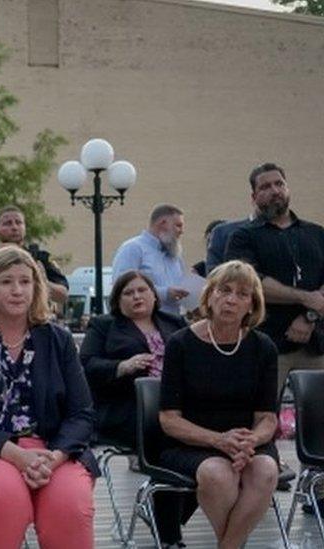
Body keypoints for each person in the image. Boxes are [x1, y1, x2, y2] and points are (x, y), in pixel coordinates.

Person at [0, 246, 97, 549]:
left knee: (69, 506)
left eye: (25, 281)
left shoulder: (58, 340)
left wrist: (55, 457)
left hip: (54, 450)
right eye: (6, 281)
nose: (17, 290)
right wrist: (16, 455)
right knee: (4, 502)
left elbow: (82, 414)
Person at [159, 260, 279, 549]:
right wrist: (218, 440)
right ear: (209, 296)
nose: (231, 300)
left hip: (246, 442)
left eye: (242, 294)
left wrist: (251, 440)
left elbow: (268, 417)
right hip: (192, 442)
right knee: (218, 475)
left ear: (252, 305)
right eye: (224, 290)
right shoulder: (180, 343)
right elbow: (169, 418)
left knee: (265, 470)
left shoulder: (263, 347)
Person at [79, 270, 192, 546]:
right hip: (125, 410)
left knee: (208, 440)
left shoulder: (175, 323)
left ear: (154, 295)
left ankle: (163, 513)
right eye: (128, 293)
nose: (137, 296)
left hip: (178, 409)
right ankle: (169, 536)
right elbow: (86, 366)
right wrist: (121, 366)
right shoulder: (104, 326)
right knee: (169, 439)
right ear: (118, 301)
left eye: (142, 290)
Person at [225, 162, 324, 394]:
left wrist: (309, 316)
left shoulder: (317, 234)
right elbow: (250, 283)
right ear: (254, 196)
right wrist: (308, 298)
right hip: (268, 346)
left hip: (317, 346)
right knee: (264, 417)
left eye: (279, 184)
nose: (275, 190)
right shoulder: (243, 237)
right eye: (266, 187)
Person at [112, 204, 189, 315]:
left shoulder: (175, 254)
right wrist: (165, 293)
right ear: (162, 223)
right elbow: (121, 286)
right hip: (144, 321)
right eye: (178, 226)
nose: (181, 231)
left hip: (174, 322)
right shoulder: (133, 248)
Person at [0, 205, 69, 306]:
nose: (14, 227)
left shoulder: (40, 258)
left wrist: (41, 282)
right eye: (8, 224)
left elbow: (63, 295)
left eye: (19, 222)